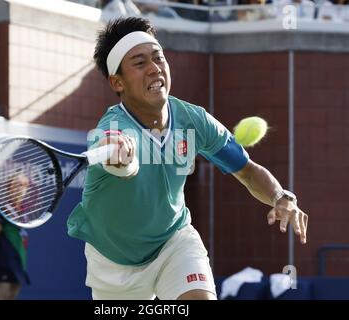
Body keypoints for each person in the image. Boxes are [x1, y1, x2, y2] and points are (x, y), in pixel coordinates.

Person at [67, 17, 308, 300]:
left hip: (174, 243)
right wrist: (123, 162)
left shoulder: (194, 120)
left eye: (159, 58)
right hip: (112, 264)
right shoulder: (112, 130)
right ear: (117, 82)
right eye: (140, 63)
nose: (155, 68)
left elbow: (247, 171)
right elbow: (123, 162)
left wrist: (280, 197)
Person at [0, 175, 31, 300]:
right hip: (4, 261)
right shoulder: (3, 209)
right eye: (17, 184)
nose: (21, 188)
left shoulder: (23, 213)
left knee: (12, 296)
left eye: (24, 185)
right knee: (3, 296)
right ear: (9, 188)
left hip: (19, 262)